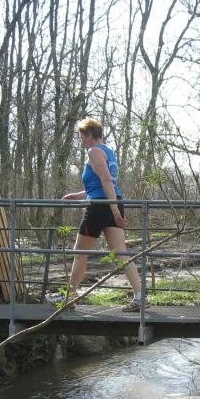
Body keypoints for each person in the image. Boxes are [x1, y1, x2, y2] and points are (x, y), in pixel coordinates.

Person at [60, 118, 145, 312]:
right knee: (121, 253)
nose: (81, 140)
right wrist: (76, 196)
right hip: (112, 201)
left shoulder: (94, 151)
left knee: (80, 253)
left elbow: (106, 181)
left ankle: (68, 298)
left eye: (82, 136)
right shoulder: (108, 152)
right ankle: (140, 296)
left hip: (101, 206)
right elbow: (102, 184)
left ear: (90, 135)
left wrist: (113, 210)